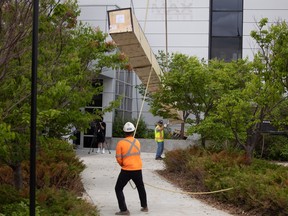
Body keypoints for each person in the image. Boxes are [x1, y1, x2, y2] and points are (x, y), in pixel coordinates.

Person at [114, 122, 148, 215]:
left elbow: (118, 158)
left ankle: (124, 210)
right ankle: (145, 206)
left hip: (126, 170)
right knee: (141, 187)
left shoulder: (120, 143)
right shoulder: (137, 142)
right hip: (137, 169)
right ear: (133, 132)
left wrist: (123, 164)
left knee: (118, 188)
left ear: (124, 132)